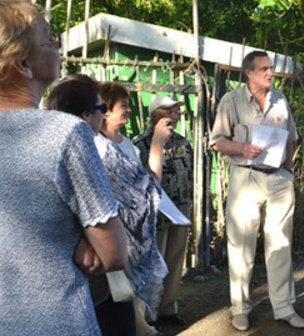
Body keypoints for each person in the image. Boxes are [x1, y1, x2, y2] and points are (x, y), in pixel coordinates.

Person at [0, 1, 127, 335]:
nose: (58, 46)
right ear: (24, 64)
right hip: (57, 321)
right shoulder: (65, 133)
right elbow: (114, 252)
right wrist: (86, 235)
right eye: (49, 39)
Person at [46, 75, 174, 336]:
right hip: (101, 270)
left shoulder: (48, 146)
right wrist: (158, 145)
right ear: (85, 115)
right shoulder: (96, 149)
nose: (105, 114)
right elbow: (146, 192)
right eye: (102, 108)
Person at [209, 50, 304, 331]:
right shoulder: (231, 100)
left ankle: (284, 307)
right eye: (264, 69)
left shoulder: (280, 100)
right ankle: (240, 309)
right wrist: (242, 148)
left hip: (278, 179)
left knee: (280, 245)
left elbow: (291, 137)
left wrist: (289, 170)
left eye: (271, 68)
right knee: (242, 247)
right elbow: (217, 141)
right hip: (246, 178)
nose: (270, 73)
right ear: (248, 73)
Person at [133, 94, 193, 328]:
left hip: (180, 210)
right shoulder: (141, 144)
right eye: (169, 112)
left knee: (176, 260)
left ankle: (169, 307)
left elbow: (189, 175)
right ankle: (150, 314)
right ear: (155, 116)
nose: (174, 117)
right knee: (154, 265)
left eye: (176, 112)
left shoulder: (182, 143)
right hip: (155, 215)